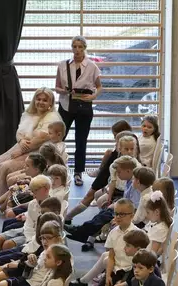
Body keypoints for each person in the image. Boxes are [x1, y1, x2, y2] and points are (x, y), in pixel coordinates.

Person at [0, 87, 61, 202]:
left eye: (44, 100)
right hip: (21, 146)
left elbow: (41, 139)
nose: (40, 102)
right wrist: (21, 141)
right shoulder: (28, 114)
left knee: (5, 167)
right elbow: (19, 133)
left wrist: (21, 151)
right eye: (38, 99)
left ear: (50, 103)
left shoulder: (52, 118)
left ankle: (2, 201)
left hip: (36, 152)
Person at [55, 36, 103, 186]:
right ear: (71, 48)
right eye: (74, 47)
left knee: (81, 141)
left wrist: (93, 96)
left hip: (84, 107)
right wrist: (65, 91)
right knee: (58, 139)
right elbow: (56, 87)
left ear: (84, 48)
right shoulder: (63, 65)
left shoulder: (92, 66)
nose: (77, 50)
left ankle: (78, 172)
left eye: (80, 47)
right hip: (66, 105)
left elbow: (99, 86)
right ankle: (57, 170)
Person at [64, 133, 139, 224]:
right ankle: (71, 218)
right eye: (126, 149)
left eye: (132, 149)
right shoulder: (115, 160)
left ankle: (100, 224)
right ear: (119, 148)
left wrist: (111, 196)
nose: (129, 151)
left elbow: (129, 187)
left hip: (123, 193)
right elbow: (113, 180)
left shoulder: (135, 165)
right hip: (112, 186)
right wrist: (109, 193)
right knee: (96, 196)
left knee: (99, 200)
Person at [145, 190, 173, 257]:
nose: (146, 216)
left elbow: (152, 254)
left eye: (148, 212)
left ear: (157, 212)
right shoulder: (160, 224)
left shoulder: (159, 229)